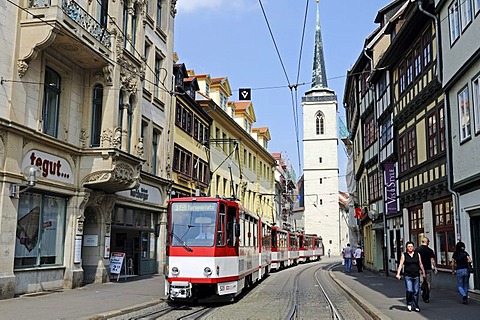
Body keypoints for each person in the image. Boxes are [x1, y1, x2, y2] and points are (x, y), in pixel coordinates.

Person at [396, 241, 425, 312]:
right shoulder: (404, 255)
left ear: (413, 247)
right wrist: (398, 273)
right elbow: (400, 264)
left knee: (416, 291)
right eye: (409, 246)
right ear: (406, 248)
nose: (410, 248)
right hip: (407, 275)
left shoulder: (417, 254)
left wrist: (423, 272)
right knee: (410, 290)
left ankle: (416, 305)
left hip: (416, 275)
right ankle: (409, 303)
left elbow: (420, 264)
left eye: (411, 246)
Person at [415, 237, 437, 302]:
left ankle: (422, 292)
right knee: (428, 282)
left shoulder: (417, 249)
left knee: (421, 282)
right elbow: (432, 260)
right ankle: (427, 295)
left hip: (420, 269)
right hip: (428, 268)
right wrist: (435, 267)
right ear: (427, 242)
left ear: (422, 241)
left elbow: (416, 259)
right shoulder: (430, 250)